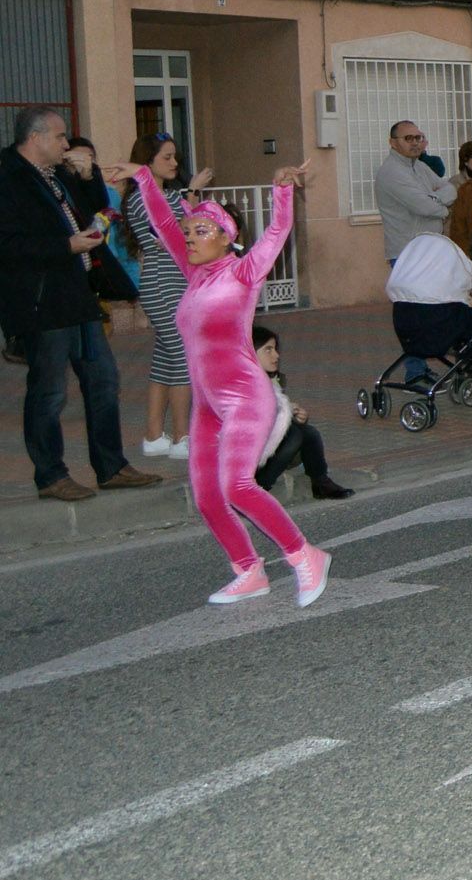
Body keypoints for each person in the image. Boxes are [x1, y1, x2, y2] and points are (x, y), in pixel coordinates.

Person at [110, 155, 329, 606]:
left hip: (246, 397)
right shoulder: (194, 275)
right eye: (189, 233)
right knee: (208, 495)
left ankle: (305, 555)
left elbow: (276, 234)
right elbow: (164, 224)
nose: (189, 239)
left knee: (237, 487)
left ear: (227, 239)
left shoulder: (243, 272)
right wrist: (144, 178)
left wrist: (282, 191)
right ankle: (249, 570)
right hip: (207, 404)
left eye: (201, 232)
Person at [3, 110, 162, 502]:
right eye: (59, 137)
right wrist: (66, 246)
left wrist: (88, 175)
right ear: (36, 137)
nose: (65, 145)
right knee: (50, 391)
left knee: (103, 379)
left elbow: (93, 207)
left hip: (77, 294)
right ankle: (51, 475)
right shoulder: (8, 177)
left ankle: (111, 466)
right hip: (42, 301)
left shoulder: (55, 174)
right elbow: (7, 246)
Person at [119, 133, 213, 461]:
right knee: (184, 358)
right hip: (161, 284)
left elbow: (188, 221)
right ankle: (182, 437)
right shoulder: (140, 199)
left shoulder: (167, 194)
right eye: (167, 157)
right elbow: (173, 234)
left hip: (176, 281)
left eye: (175, 157)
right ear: (147, 163)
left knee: (165, 359)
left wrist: (189, 193)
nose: (175, 164)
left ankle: (154, 436)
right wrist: (191, 193)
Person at [375, 120, 458, 384]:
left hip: (430, 250)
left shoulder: (419, 166)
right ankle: (415, 371)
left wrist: (436, 200)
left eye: (419, 137)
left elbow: (450, 188)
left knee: (430, 309)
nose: (415, 142)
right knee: (413, 312)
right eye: (409, 138)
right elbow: (426, 207)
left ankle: (421, 365)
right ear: (393, 142)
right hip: (407, 254)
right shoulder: (391, 172)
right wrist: (439, 204)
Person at [251, 326, 354, 499]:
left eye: (275, 349)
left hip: (263, 450)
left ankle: (321, 482)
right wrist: (286, 413)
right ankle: (255, 490)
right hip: (244, 460)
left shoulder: (270, 380)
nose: (276, 355)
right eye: (268, 349)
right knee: (295, 436)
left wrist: (294, 416)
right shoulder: (241, 386)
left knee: (308, 432)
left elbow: (274, 425)